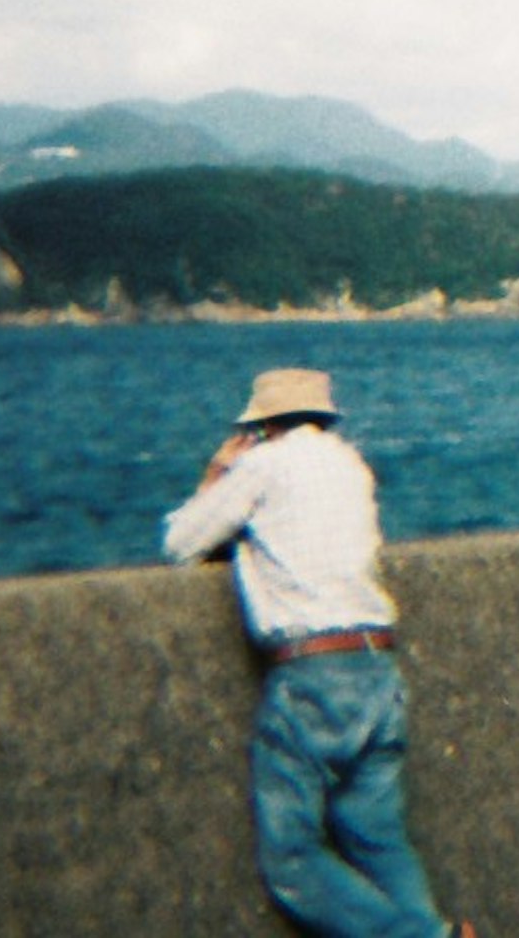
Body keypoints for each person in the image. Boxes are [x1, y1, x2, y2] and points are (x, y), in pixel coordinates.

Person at [163, 367, 478, 938]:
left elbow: (182, 542)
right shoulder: (351, 465)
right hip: (376, 665)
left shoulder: (262, 466)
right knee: (375, 834)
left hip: (313, 674)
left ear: (261, 427)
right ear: (323, 416)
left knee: (291, 860)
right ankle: (435, 930)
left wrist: (215, 476)